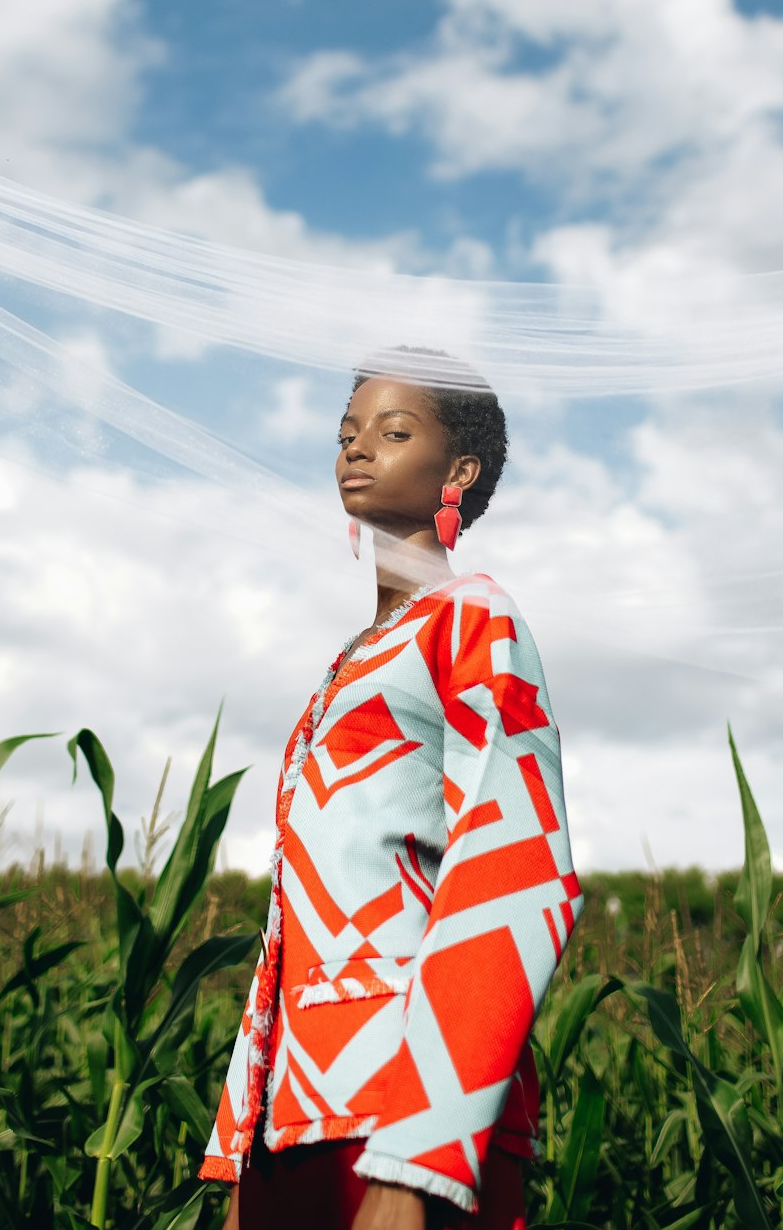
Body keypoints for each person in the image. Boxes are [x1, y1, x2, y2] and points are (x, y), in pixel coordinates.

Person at [199, 347, 584, 1229]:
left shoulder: (474, 620)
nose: (357, 447)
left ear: (460, 470)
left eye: (393, 430)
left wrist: (419, 1158)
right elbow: (295, 913)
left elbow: (516, 873)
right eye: (347, 432)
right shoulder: (349, 663)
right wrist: (241, 1147)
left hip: (400, 1117)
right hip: (293, 1120)